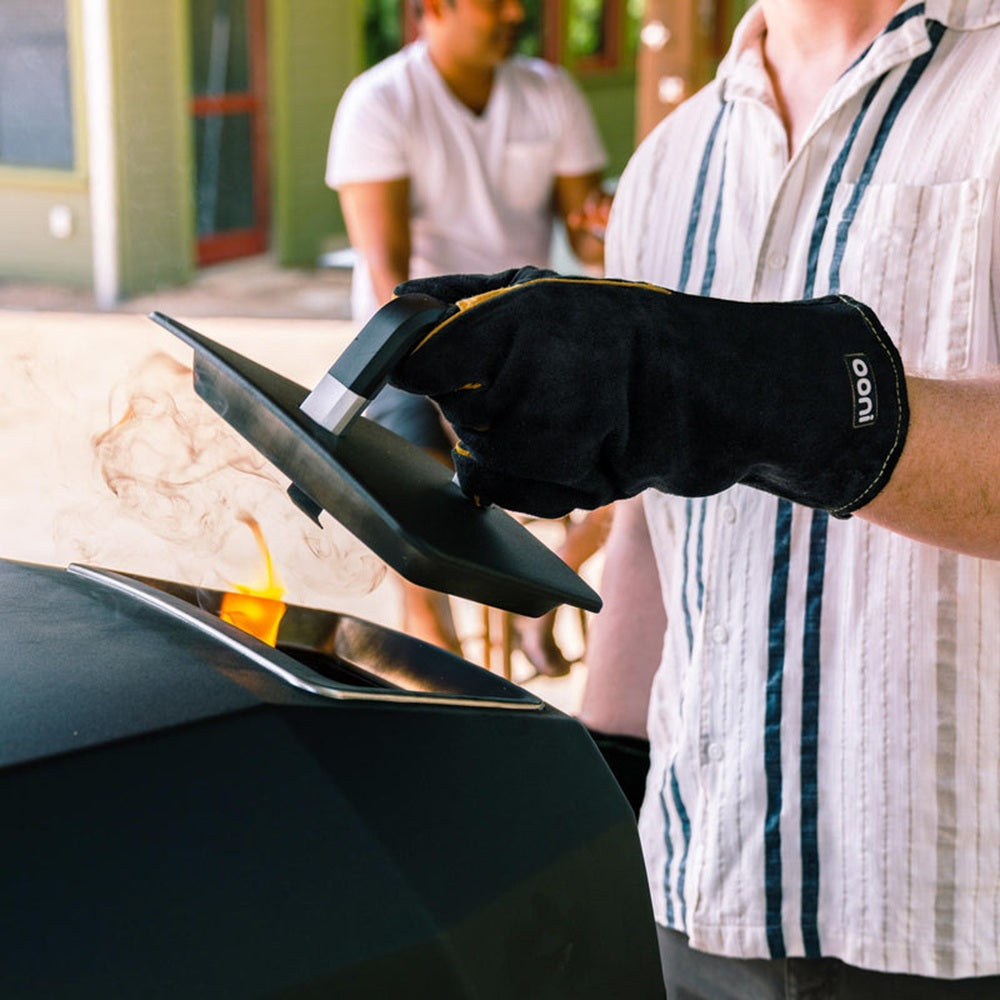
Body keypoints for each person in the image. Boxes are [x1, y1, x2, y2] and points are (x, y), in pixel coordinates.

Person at [386, 1, 1000, 996]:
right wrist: (604, 785)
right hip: (698, 893)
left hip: (959, 917)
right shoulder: (673, 159)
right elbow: (653, 535)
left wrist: (752, 392)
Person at [325, 0, 611, 670]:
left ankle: (539, 598)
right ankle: (441, 659)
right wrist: (456, 390)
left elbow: (585, 236)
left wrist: (603, 225)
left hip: (523, 337)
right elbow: (391, 278)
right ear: (433, 8)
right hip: (412, 337)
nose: (516, 11)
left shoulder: (551, 92)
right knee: (408, 483)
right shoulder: (380, 102)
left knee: (629, 450)